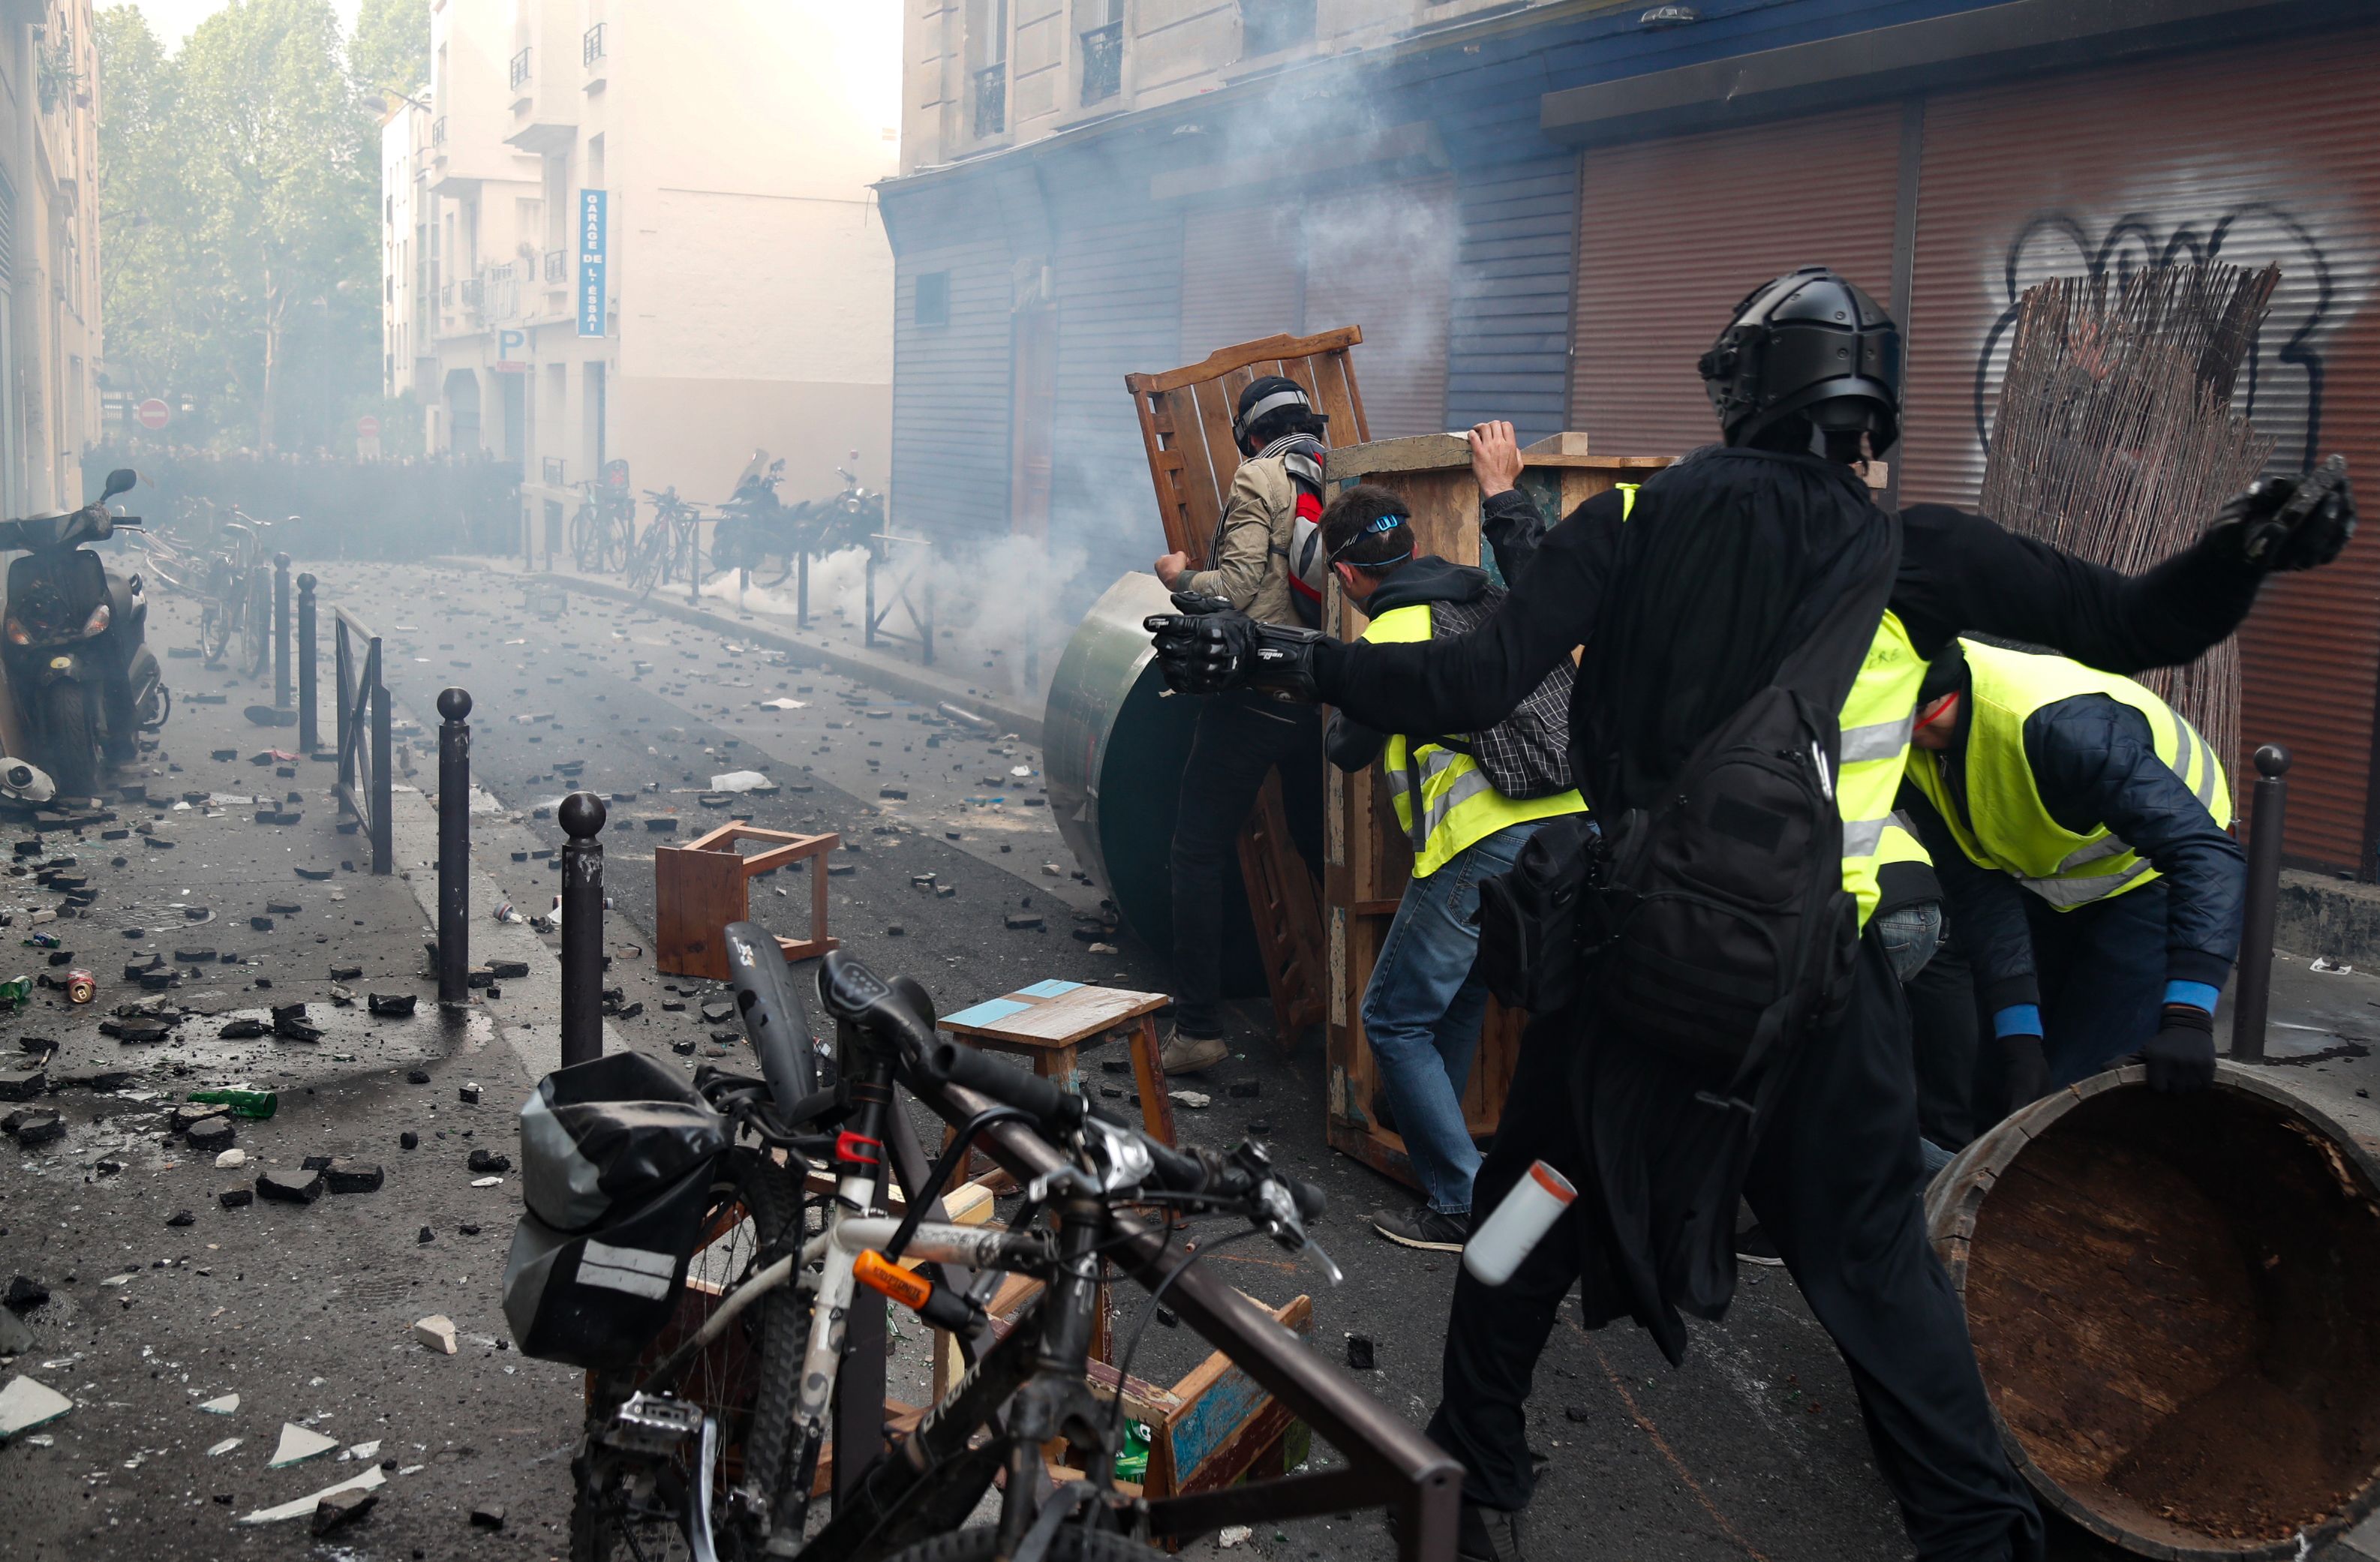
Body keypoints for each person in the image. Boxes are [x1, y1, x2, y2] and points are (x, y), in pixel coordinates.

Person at [1144, 266, 2355, 1562]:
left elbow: (1471, 676)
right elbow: (2132, 620)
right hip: (1811, 1002)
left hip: (1622, 978)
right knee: (1881, 1274)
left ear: (1736, 395)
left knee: (1521, 1213)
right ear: (1867, 420)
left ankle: (1469, 1479)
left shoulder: (1631, 518)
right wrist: (2247, 549)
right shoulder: (1906, 551)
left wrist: (1276, 653)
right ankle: (1979, 1535)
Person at [1316, 469, 1588, 1251]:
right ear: (1415, 544)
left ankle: (1459, 1201)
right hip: (1572, 832)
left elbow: (1347, 747)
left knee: (1392, 1018)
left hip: (1485, 839)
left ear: (1347, 575)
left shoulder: (1392, 634)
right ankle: (1436, 1143)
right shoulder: (1495, 604)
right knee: (1466, 993)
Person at [1900, 638, 2243, 1113]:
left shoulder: (2063, 728)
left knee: (2087, 1088)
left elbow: (2206, 856)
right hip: (2049, 884)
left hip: (2155, 876)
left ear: (1935, 701)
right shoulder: (1913, 745)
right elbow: (1978, 885)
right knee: (2006, 1086)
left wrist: (2188, 1015)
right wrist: (2019, 1038)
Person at [1149, 377, 1332, 1073]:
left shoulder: (1260, 475)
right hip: (1325, 696)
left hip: (1257, 695)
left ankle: (1198, 1030)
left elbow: (1238, 588)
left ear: (1250, 435)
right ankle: (1352, 1022)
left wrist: (1177, 576)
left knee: (1196, 850)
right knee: (1326, 856)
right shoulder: (1337, 469)